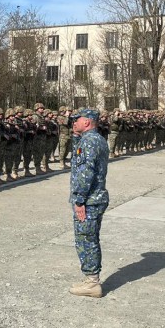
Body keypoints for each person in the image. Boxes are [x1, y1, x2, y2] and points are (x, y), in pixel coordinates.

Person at [68, 108, 110, 298]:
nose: (74, 122)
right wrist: (76, 137)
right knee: (89, 238)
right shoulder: (94, 139)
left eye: (77, 120)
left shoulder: (90, 141)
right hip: (95, 198)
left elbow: (86, 172)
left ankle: (92, 282)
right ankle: (90, 279)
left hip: (89, 200)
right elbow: (79, 160)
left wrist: (79, 200)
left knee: (86, 240)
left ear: (87, 122)